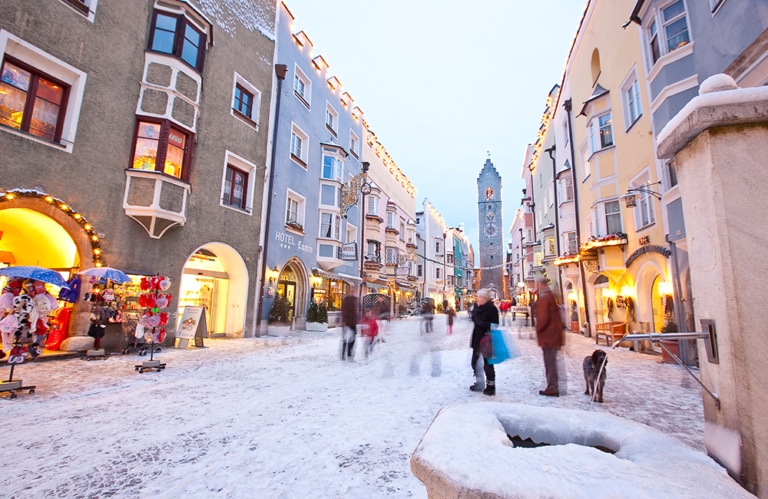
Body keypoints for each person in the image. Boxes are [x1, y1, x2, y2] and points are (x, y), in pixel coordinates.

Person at [535, 277, 564, 397]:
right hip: (554, 335)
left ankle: (552, 388)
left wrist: (537, 329)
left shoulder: (544, 298)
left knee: (550, 363)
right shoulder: (551, 296)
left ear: (540, 285)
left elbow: (543, 318)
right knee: (552, 362)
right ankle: (553, 386)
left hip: (548, 336)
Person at [469, 288, 499, 396]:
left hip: (487, 339)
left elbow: (495, 325)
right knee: (475, 362)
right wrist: (474, 318)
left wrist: (481, 322)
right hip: (477, 338)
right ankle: (479, 383)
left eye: (479, 297)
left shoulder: (492, 309)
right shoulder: (478, 307)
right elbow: (475, 319)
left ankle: (491, 387)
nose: (478, 298)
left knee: (488, 364)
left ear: (485, 298)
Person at [341, 286, 358, 361]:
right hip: (347, 321)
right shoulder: (346, 300)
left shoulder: (355, 299)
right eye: (351, 291)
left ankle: (349, 351)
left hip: (353, 322)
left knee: (353, 338)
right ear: (349, 292)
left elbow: (357, 310)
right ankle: (343, 353)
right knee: (345, 338)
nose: (352, 292)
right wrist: (344, 321)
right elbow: (344, 311)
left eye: (353, 291)